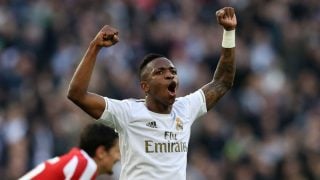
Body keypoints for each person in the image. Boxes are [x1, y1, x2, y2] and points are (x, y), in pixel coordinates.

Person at [67, 6, 237, 180]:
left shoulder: (185, 108)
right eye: (160, 72)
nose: (169, 74)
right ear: (145, 87)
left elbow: (222, 82)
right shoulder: (128, 113)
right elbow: (77, 94)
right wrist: (94, 47)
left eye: (172, 71)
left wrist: (229, 32)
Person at [19, 123, 120, 180]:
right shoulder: (86, 165)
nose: (118, 157)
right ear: (101, 152)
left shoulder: (78, 161)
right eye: (116, 151)